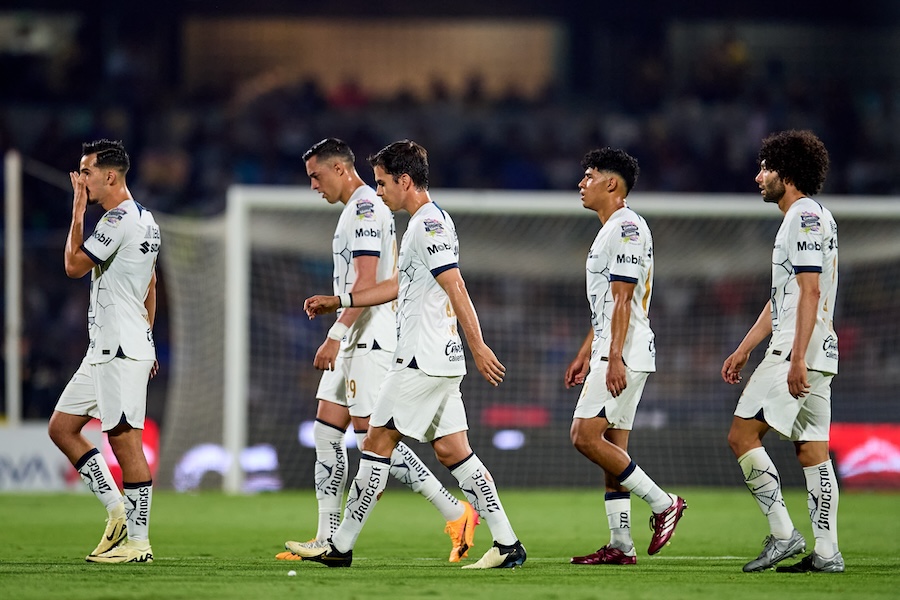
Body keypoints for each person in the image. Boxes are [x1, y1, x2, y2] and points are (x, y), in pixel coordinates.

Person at [290, 140, 525, 569]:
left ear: (405, 181)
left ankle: (339, 548)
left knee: (376, 444)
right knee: (455, 452)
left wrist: (479, 345)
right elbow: (400, 284)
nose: (378, 193)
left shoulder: (427, 224)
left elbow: (455, 284)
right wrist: (339, 300)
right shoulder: (428, 222)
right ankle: (508, 544)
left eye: (383, 184)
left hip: (422, 358)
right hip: (439, 359)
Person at [723, 129, 842, 573]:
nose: (759, 177)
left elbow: (809, 291)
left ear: (786, 173)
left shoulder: (802, 216)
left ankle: (783, 534)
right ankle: (827, 553)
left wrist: (794, 357)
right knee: (813, 450)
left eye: (765, 167)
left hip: (798, 350)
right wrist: (743, 348)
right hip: (818, 351)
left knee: (741, 436)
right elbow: (783, 297)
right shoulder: (817, 216)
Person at [565, 148, 687, 566]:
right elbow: (606, 306)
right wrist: (587, 352)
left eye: (589, 176)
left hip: (626, 350)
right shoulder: (610, 228)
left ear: (612, 184)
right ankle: (620, 544)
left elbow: (623, 298)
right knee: (611, 445)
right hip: (615, 347)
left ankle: (663, 503)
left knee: (584, 435)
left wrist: (612, 357)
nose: (582, 183)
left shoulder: (628, 227)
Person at [48, 139, 160, 563]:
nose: (82, 179)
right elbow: (150, 286)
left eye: (87, 172)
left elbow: (74, 266)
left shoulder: (116, 220)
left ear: (109, 176)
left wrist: (77, 210)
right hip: (108, 347)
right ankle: (117, 512)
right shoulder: (146, 220)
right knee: (62, 427)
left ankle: (139, 543)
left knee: (124, 439)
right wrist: (147, 338)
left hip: (118, 349)